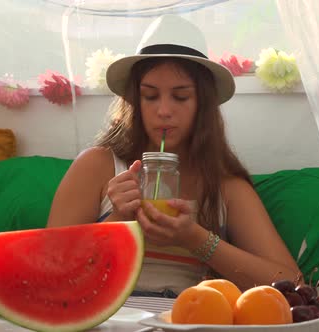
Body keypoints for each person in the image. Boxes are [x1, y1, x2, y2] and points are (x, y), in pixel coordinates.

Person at [47, 14, 300, 297]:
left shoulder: (225, 188)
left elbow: (294, 283)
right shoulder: (98, 166)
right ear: (135, 100)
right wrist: (118, 219)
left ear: (202, 104)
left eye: (180, 97)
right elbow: (50, 269)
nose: (164, 110)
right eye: (150, 96)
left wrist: (195, 238)